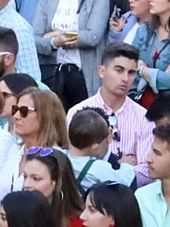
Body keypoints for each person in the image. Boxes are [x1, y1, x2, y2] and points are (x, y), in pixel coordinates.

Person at [67, 44, 156, 184]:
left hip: (125, 199)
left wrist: (117, 179)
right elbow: (72, 160)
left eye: (131, 72)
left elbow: (147, 169)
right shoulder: (77, 112)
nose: (125, 78)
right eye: (119, 70)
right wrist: (121, 171)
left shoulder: (144, 118)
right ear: (102, 71)